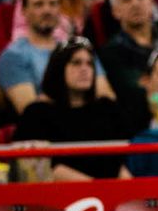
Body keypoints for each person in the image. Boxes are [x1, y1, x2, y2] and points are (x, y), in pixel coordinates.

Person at [14, 37, 130, 180]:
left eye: (90, 64)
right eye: (76, 63)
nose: (85, 69)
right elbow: (45, 168)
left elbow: (121, 162)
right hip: (59, 196)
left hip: (109, 193)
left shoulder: (107, 109)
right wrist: (98, 190)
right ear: (59, 68)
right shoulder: (37, 114)